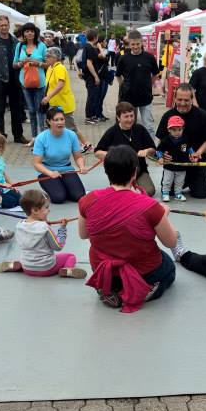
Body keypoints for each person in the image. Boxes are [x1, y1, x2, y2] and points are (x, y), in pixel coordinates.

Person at [78, 145, 180, 311]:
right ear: (134, 173)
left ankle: (109, 288)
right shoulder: (151, 206)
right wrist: (163, 214)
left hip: (103, 267)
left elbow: (83, 235)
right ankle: (142, 290)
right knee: (168, 265)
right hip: (142, 269)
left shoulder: (87, 200)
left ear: (106, 171)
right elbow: (171, 242)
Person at [0, 189, 87, 278]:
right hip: (46, 268)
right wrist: (62, 229)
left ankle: (15, 265)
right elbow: (58, 246)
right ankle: (67, 269)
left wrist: (43, 222)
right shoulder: (45, 228)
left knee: (28, 257)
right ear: (35, 210)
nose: (49, 210)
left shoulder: (19, 225)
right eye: (46, 207)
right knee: (70, 256)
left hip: (27, 267)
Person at [156, 84, 206, 199]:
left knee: (200, 194)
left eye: (186, 100)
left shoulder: (202, 115)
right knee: (169, 192)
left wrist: (198, 153)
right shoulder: (167, 116)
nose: (182, 103)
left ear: (192, 99)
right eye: (179, 99)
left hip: (194, 161)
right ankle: (183, 183)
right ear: (175, 98)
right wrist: (163, 154)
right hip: (175, 164)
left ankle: (200, 179)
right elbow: (161, 141)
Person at [95, 102, 157, 196]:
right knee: (121, 194)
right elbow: (97, 152)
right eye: (126, 117)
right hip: (119, 173)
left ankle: (133, 191)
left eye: (132, 116)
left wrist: (147, 151)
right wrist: (112, 155)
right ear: (118, 117)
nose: (130, 119)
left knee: (149, 191)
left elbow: (153, 149)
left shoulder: (140, 129)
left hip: (139, 170)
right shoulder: (112, 132)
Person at [0, 16, 29, 145]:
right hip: (0, 80)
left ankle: (18, 135)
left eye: (6, 25)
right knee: (0, 110)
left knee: (17, 109)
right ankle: (0, 136)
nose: (4, 27)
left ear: (9, 25)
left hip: (15, 80)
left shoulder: (15, 41)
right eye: (1, 25)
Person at [42, 46, 93, 152]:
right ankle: (48, 145)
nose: (46, 58)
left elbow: (60, 84)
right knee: (50, 125)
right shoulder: (50, 68)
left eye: (48, 56)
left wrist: (48, 96)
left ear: (55, 57)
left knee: (71, 127)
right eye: (46, 56)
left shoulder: (60, 68)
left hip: (63, 104)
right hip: (54, 103)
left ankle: (86, 145)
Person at [33, 107, 87, 204]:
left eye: (62, 119)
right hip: (47, 171)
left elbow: (78, 157)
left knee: (79, 196)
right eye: (56, 120)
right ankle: (55, 188)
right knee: (59, 198)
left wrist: (82, 166)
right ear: (48, 122)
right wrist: (50, 173)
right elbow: (37, 164)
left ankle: (62, 185)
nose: (60, 122)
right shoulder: (41, 138)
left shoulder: (71, 135)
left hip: (66, 169)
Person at [117, 30, 161, 135]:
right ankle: (131, 145)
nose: (135, 47)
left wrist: (149, 85)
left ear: (141, 42)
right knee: (130, 125)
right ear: (129, 43)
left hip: (146, 97)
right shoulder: (124, 58)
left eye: (138, 44)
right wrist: (123, 86)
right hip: (129, 98)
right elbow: (118, 75)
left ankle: (150, 145)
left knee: (148, 126)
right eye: (133, 44)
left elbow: (155, 74)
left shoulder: (149, 57)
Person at [15, 22, 48, 137]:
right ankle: (34, 137)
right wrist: (21, 63)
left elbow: (48, 64)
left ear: (35, 33)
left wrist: (38, 63)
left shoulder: (42, 46)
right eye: (27, 31)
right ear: (23, 33)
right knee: (31, 110)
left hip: (39, 83)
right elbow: (14, 64)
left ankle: (42, 137)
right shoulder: (19, 46)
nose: (29, 33)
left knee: (40, 110)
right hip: (25, 82)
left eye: (32, 31)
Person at [156, 115, 191, 202]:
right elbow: (159, 150)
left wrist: (193, 154)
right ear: (169, 130)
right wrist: (160, 158)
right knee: (167, 181)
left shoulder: (185, 139)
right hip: (169, 166)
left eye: (180, 130)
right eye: (174, 130)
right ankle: (165, 193)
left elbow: (189, 148)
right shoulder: (165, 140)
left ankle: (178, 194)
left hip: (182, 166)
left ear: (183, 129)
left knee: (180, 181)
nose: (177, 132)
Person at [83, 29, 109, 123]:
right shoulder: (89, 47)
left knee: (93, 96)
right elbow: (89, 63)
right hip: (91, 77)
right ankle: (89, 117)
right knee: (91, 97)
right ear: (95, 38)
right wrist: (95, 76)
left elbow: (101, 56)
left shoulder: (88, 47)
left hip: (89, 76)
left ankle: (92, 116)